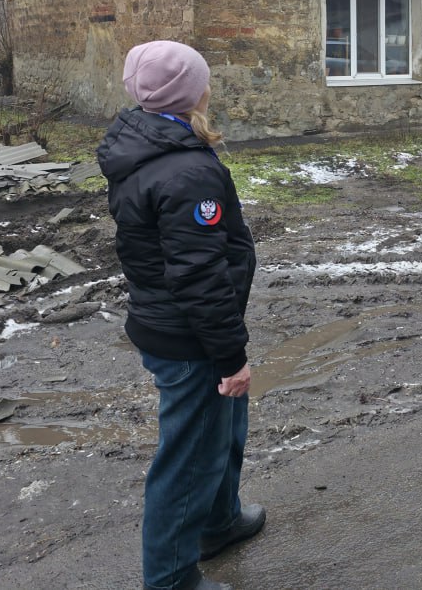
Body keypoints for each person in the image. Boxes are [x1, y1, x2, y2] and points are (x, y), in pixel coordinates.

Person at [96, 40, 266, 590]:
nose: (208, 87)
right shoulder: (185, 170)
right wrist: (230, 356)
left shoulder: (149, 142)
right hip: (190, 335)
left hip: (177, 322)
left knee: (225, 429)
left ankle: (218, 522)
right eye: (202, 79)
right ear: (189, 93)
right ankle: (170, 579)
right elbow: (198, 275)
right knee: (189, 458)